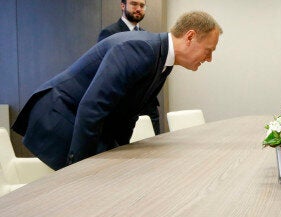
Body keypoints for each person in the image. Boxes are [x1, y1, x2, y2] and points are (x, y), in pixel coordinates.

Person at [12, 11, 222, 170]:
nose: (209, 59)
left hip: (81, 120)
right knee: (94, 184)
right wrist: (79, 170)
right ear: (190, 37)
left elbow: (129, 113)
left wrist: (121, 151)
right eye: (208, 50)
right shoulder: (141, 49)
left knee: (119, 173)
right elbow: (92, 107)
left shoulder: (163, 60)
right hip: (59, 116)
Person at [99, 0, 161, 135]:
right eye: (134, 4)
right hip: (123, 107)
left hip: (148, 107)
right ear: (123, 6)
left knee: (155, 153)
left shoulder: (149, 36)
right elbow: (107, 73)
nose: (138, 8)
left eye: (142, 5)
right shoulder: (110, 33)